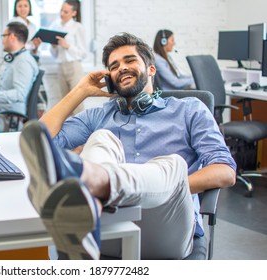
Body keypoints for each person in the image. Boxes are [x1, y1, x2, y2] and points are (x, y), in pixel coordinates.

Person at [19, 32, 237, 260]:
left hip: (164, 224)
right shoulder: (100, 115)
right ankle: (90, 207)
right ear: (110, 78)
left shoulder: (189, 109)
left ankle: (91, 182)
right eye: (114, 66)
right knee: (102, 138)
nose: (121, 67)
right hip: (111, 223)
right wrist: (80, 91)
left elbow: (225, 170)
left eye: (129, 60)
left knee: (172, 164)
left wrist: (169, 188)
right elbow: (44, 140)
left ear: (151, 69)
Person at [0, 22, 39, 132]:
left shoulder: (23, 62)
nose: (2, 40)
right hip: (2, 111)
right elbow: (3, 89)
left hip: (10, 118)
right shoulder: (16, 59)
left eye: (3, 36)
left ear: (11, 37)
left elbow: (19, 94)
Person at [47, 0, 87, 114]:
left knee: (77, 102)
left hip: (74, 67)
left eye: (66, 11)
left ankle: (81, 130)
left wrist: (67, 46)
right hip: (60, 67)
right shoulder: (55, 26)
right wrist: (54, 46)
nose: (62, 14)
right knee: (64, 103)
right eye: (61, 10)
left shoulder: (78, 27)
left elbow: (83, 53)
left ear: (74, 13)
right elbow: (55, 55)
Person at [9, 0, 47, 117]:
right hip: (21, 63)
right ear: (15, 8)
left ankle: (37, 118)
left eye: (25, 6)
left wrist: (35, 47)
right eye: (20, 6)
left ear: (30, 8)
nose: (23, 8)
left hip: (32, 61)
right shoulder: (14, 24)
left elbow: (32, 49)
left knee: (36, 94)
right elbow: (15, 46)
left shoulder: (33, 25)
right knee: (25, 94)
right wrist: (31, 45)